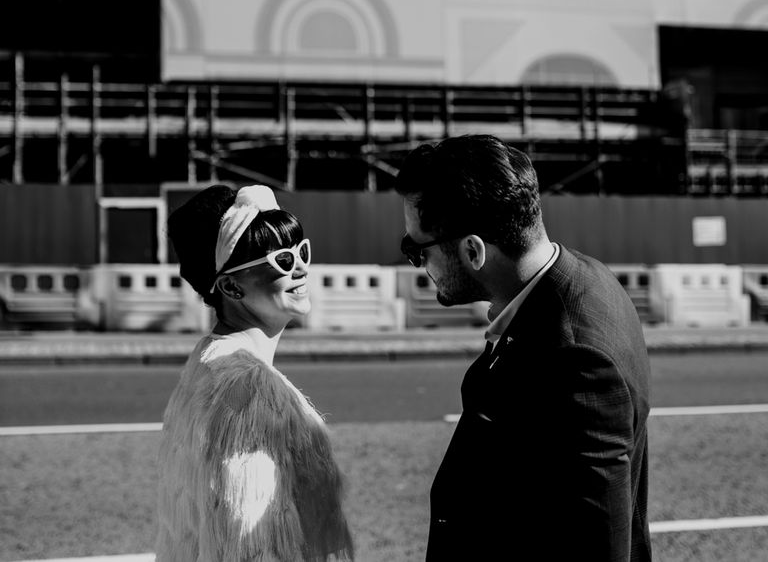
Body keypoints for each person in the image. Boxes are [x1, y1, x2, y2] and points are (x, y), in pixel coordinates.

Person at [395, 135, 652, 562]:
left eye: (415, 250)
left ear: (473, 250)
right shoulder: (587, 276)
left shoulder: (575, 359)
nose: (417, 264)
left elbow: (599, 544)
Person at [156, 184, 354, 562]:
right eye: (281, 259)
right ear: (230, 285)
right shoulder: (251, 387)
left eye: (301, 250)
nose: (300, 267)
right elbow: (251, 543)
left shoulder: (206, 361)